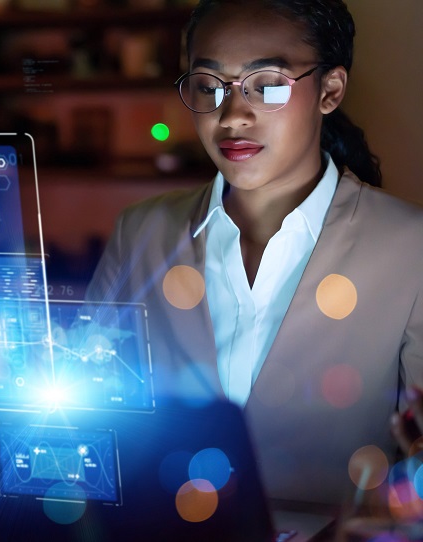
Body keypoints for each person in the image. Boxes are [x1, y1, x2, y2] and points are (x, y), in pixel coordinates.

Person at [86, 0, 423, 506]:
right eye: (208, 86)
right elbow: (91, 407)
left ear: (329, 90)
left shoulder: (408, 248)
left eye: (267, 85)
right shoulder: (143, 232)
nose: (233, 115)